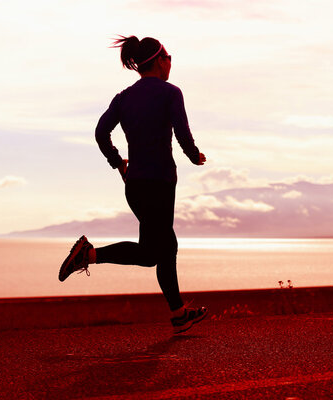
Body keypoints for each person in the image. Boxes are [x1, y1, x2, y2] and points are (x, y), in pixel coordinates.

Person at [58, 35, 207, 334]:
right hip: (160, 183)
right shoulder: (170, 93)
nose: (171, 63)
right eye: (169, 58)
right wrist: (195, 156)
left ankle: (178, 314)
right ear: (159, 60)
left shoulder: (124, 97)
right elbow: (183, 134)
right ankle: (88, 255)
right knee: (159, 250)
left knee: (160, 249)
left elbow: (101, 132)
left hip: (135, 185)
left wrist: (118, 162)